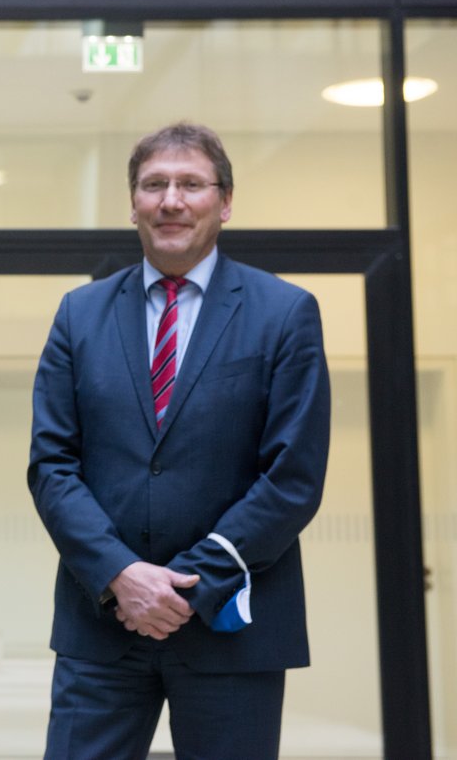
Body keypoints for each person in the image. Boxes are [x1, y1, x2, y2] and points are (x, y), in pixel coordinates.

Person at [27, 122, 330, 759]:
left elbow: (292, 478)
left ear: (224, 202)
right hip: (102, 624)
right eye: (153, 184)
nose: (171, 200)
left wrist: (187, 586)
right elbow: (52, 466)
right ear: (132, 201)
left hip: (230, 627)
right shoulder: (78, 315)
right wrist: (122, 577)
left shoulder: (284, 312)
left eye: (191, 184)